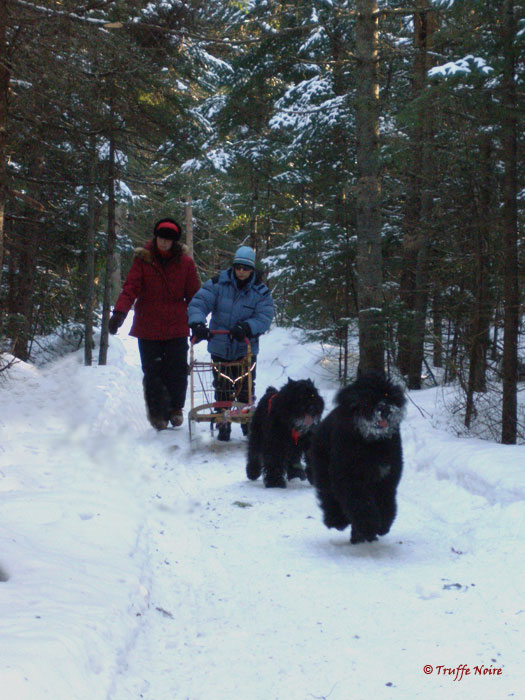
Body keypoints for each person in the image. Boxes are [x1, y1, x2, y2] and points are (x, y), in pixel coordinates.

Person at [108, 217, 200, 430]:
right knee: (153, 372)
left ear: (174, 242)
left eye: (168, 240)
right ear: (155, 237)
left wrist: (196, 322)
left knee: (177, 369)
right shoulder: (143, 260)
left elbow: (194, 296)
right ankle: (158, 413)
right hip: (148, 326)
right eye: (161, 238)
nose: (164, 243)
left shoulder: (186, 263)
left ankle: (176, 408)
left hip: (176, 326)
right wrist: (119, 313)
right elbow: (130, 287)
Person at [187, 245, 274, 441]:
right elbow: (200, 302)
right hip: (220, 345)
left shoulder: (260, 292)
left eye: (246, 268)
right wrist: (198, 322)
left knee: (245, 388)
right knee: (222, 387)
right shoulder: (218, 284)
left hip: (245, 348)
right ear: (233, 267)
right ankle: (223, 423)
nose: (241, 272)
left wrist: (247, 327)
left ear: (252, 269)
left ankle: (246, 424)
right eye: (238, 267)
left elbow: (265, 316)